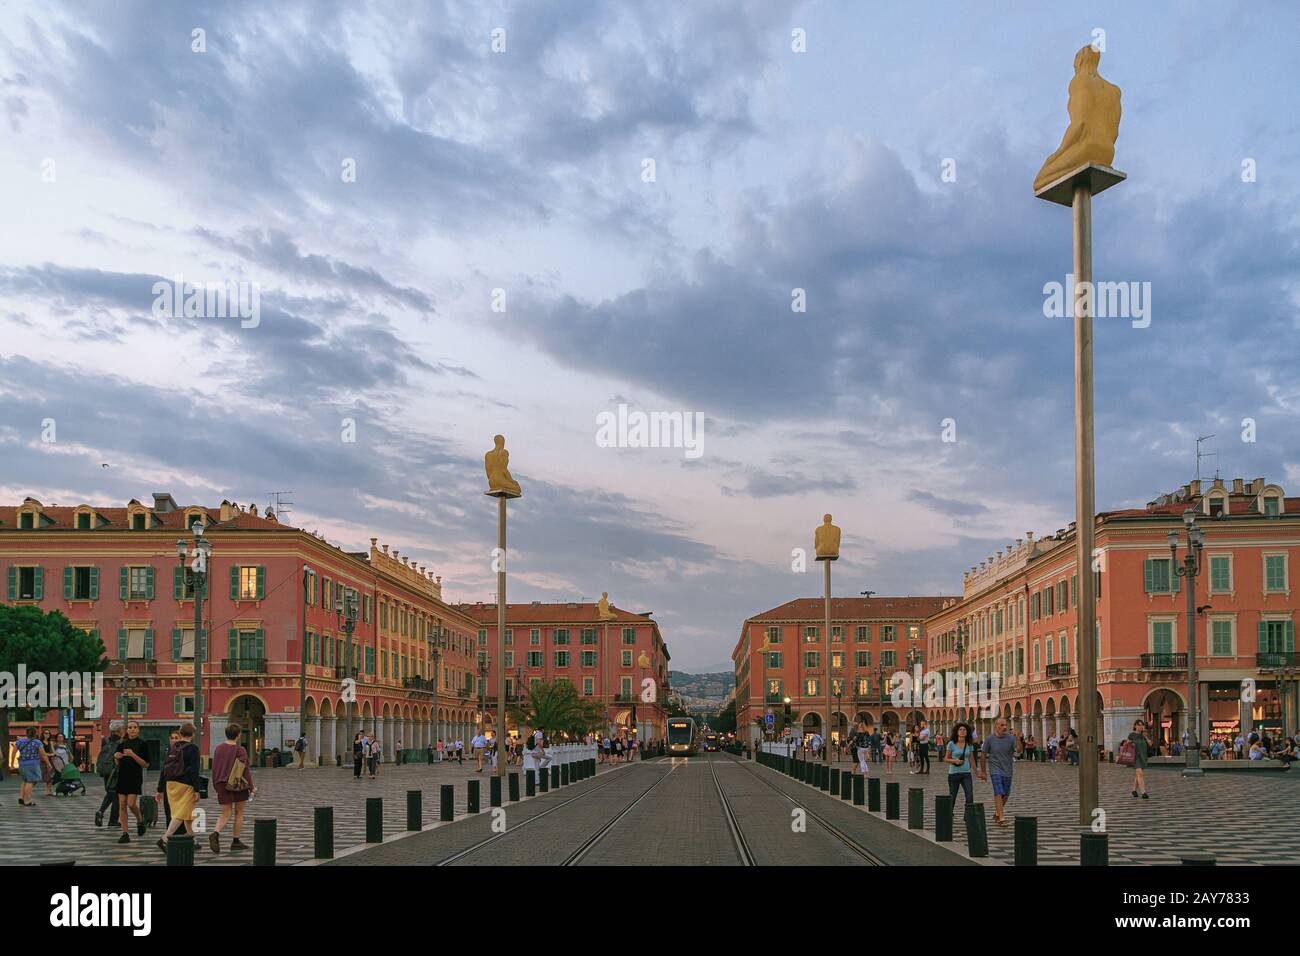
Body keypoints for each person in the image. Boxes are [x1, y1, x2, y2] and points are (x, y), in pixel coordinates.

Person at [157, 723, 203, 854]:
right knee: (180, 814)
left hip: (170, 783)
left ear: (181, 733)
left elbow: (164, 769)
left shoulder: (173, 746)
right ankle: (164, 839)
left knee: (187, 813)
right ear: (193, 734)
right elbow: (194, 770)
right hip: (185, 784)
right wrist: (197, 789)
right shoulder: (193, 748)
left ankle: (193, 840)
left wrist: (160, 788)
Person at [210, 721, 255, 853]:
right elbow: (245, 770)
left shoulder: (218, 748)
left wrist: (215, 785)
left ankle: (215, 833)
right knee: (239, 812)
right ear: (238, 735)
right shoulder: (240, 750)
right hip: (237, 785)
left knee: (225, 813)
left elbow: (214, 768)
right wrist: (252, 787)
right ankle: (236, 841)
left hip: (221, 783)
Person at [113, 720, 150, 843]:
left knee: (131, 804)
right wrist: (116, 757)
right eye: (130, 727)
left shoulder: (142, 744)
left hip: (135, 777)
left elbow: (145, 764)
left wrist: (132, 754)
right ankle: (125, 833)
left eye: (134, 727)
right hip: (122, 777)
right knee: (122, 804)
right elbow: (117, 764)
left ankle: (140, 820)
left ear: (138, 730)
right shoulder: (122, 744)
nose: (132, 729)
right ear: (127, 730)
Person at [980, 718, 1021, 826]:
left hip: (1008, 769)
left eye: (1005, 725)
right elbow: (983, 755)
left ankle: (997, 812)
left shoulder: (1011, 738)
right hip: (995, 769)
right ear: (996, 726)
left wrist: (1017, 739)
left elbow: (1019, 751)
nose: (1004, 727)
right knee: (998, 791)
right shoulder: (989, 739)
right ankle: (1002, 818)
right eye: (1002, 725)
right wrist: (983, 771)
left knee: (1006, 794)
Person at [94, 720, 124, 827]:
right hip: (116, 771)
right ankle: (112, 820)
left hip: (106, 771)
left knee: (110, 793)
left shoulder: (105, 740)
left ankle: (101, 812)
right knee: (116, 796)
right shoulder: (122, 742)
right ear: (119, 730)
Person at [14, 726, 50, 807]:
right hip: (33, 764)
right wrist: (48, 764)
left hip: (22, 764)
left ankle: (21, 797)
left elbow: (14, 752)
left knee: (25, 780)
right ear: (35, 733)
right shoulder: (37, 742)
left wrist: (13, 762)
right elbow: (43, 755)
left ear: (26, 733)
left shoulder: (20, 741)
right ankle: (27, 800)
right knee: (31, 781)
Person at [945, 722, 977, 807]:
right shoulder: (951, 744)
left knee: (969, 796)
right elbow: (946, 758)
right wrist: (954, 761)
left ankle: (968, 816)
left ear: (967, 732)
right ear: (957, 732)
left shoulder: (969, 744)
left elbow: (972, 759)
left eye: (964, 730)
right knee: (952, 796)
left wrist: (977, 772)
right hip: (953, 774)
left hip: (966, 773)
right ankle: (949, 814)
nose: (962, 731)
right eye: (960, 729)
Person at [155, 731, 181, 825]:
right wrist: (159, 789)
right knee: (168, 809)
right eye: (172, 738)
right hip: (168, 784)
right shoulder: (167, 751)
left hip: (179, 785)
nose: (174, 740)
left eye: (176, 738)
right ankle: (169, 831)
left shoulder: (183, 750)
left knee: (178, 810)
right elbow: (163, 771)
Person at [1125, 719, 1151, 799]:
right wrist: (1131, 743)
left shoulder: (1143, 735)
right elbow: (1127, 744)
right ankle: (1143, 792)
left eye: (1141, 725)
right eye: (1138, 724)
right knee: (1140, 774)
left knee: (1138, 774)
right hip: (1135, 757)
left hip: (1143, 756)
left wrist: (1145, 736)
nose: (1140, 726)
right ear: (1135, 726)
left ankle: (1134, 790)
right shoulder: (1132, 735)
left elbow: (1150, 744)